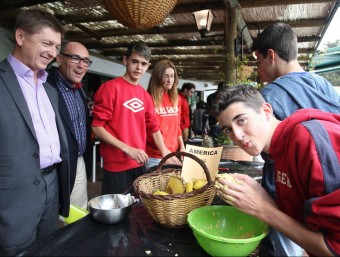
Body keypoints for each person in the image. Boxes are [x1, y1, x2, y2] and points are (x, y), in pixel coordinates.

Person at [211, 84, 340, 257]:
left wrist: (261, 209)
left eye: (241, 120)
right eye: (228, 129)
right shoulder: (277, 152)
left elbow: (335, 248)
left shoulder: (309, 141)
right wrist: (261, 195)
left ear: (266, 111)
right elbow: (304, 222)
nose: (237, 136)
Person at [251, 22, 340, 256]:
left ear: (271, 55)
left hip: (284, 198)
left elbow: (264, 150)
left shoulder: (269, 96)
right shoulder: (324, 85)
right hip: (326, 197)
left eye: (258, 61)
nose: (258, 69)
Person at [0, 9, 71, 256]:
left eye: (57, 46)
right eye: (47, 43)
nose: (52, 52)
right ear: (20, 36)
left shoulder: (49, 88)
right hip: (13, 194)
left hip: (51, 186)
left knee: (48, 248)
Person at [92, 42, 179, 195]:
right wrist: (127, 149)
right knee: (117, 209)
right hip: (116, 165)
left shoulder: (145, 96)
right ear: (125, 60)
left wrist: (165, 151)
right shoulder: (110, 88)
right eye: (135, 62)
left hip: (140, 163)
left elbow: (153, 126)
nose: (139, 68)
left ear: (148, 66)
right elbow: (97, 127)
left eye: (143, 64)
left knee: (137, 210)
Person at [47, 42, 93, 210]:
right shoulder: (44, 86)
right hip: (52, 167)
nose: (81, 65)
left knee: (77, 211)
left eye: (86, 61)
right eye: (75, 58)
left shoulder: (79, 90)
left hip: (77, 160)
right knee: (47, 217)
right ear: (59, 59)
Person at [145, 60, 184, 169]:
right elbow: (151, 128)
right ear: (157, 77)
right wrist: (165, 153)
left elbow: (178, 125)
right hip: (154, 156)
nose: (169, 80)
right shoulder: (148, 98)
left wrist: (182, 146)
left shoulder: (176, 99)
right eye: (166, 76)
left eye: (172, 76)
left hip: (172, 153)